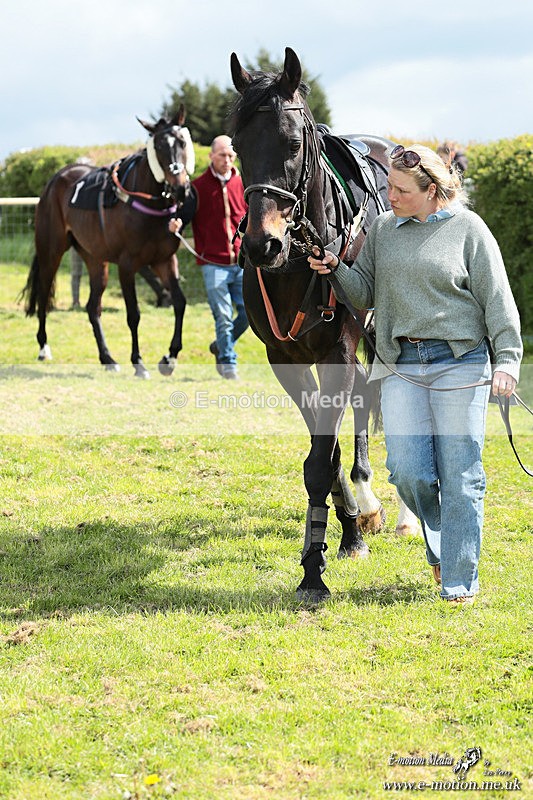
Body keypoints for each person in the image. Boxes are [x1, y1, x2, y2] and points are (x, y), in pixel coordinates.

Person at [308, 143, 522, 605]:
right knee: (408, 473)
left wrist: (506, 361)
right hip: (401, 363)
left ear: (432, 190)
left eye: (401, 189)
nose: (390, 196)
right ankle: (445, 537)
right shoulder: (384, 229)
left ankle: (458, 582)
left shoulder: (469, 230)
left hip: (460, 362)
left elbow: (498, 301)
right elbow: (363, 293)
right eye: (388, 186)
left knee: (462, 474)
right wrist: (335, 269)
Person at [169, 135, 248, 379]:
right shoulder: (198, 187)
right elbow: (185, 215)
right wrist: (177, 224)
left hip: (242, 262)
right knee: (223, 316)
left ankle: (220, 346)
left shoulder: (245, 183)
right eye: (222, 155)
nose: (227, 159)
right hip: (213, 264)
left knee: (248, 314)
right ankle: (228, 363)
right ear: (211, 156)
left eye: (231, 155)